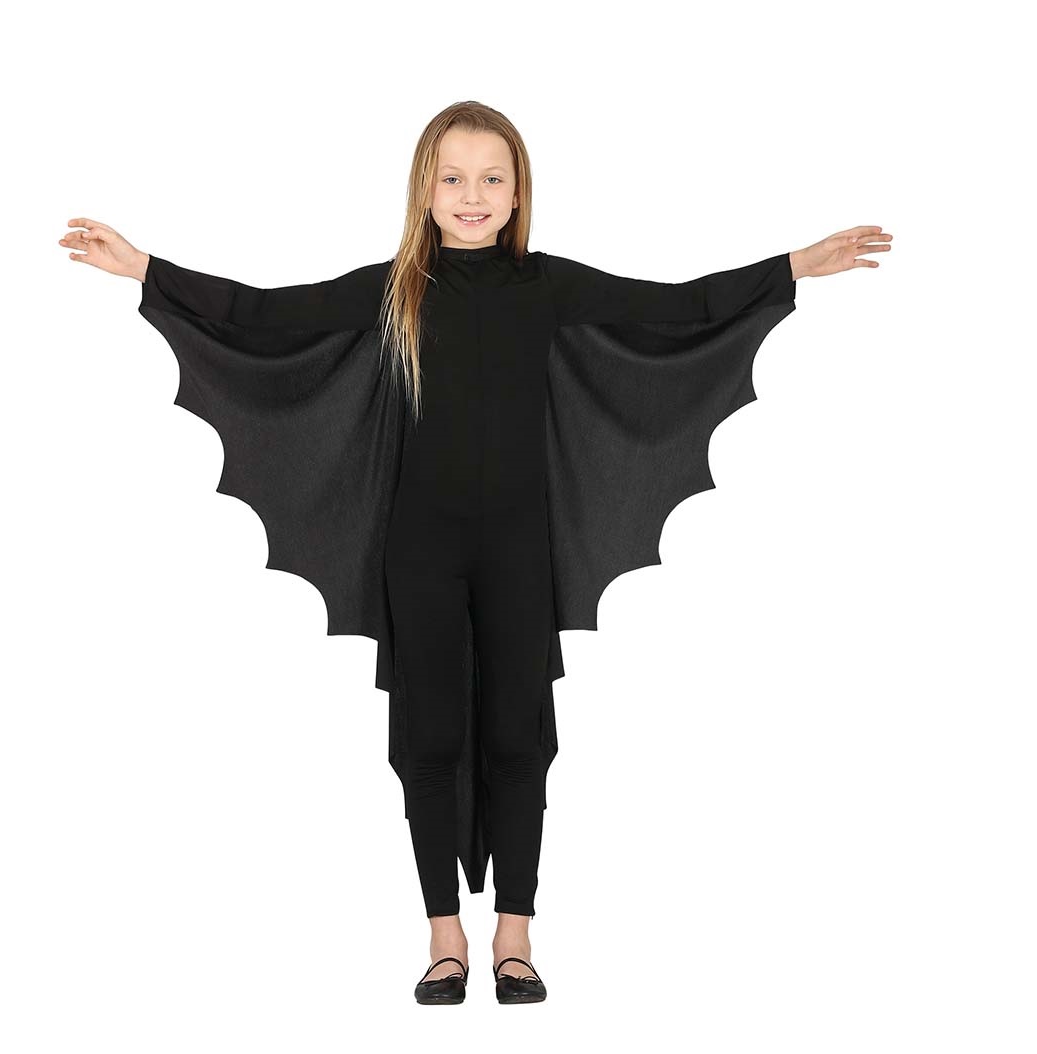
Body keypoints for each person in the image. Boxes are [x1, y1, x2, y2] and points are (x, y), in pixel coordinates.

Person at [59, 99, 892, 1005]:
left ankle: (516, 935)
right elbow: (261, 316)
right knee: (429, 737)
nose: (472, 194)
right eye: (452, 177)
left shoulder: (549, 286)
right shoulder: (393, 292)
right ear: (424, 189)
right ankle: (444, 937)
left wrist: (794, 267)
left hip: (519, 550)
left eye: (493, 177)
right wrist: (145, 269)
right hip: (418, 550)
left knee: (515, 738)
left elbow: (677, 307)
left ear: (519, 190)